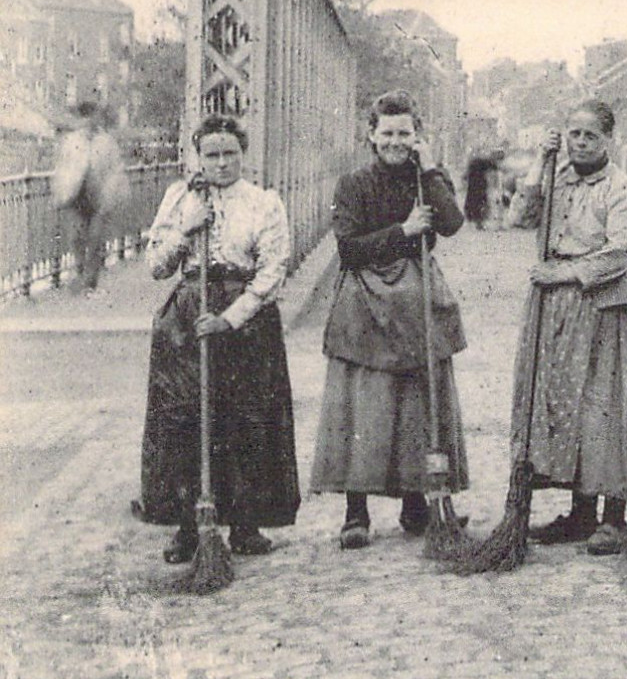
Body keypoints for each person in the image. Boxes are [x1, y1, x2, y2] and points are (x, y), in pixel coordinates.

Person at [310, 89, 469, 549]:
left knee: (420, 401)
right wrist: (403, 231)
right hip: (366, 300)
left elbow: (453, 222)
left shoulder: (425, 180)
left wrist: (432, 168)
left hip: (418, 300)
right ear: (371, 135)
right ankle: (355, 511)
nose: (396, 142)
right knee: (363, 404)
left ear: (417, 137)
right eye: (388, 133)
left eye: (405, 133)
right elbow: (348, 249)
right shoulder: (354, 185)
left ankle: (418, 502)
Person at [139, 114, 299, 560]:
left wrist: (231, 318)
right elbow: (155, 266)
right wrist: (186, 228)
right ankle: (188, 526)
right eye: (212, 155)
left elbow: (273, 270)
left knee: (245, 418)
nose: (222, 163)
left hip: (245, 320)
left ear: (243, 154)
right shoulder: (179, 197)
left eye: (231, 153)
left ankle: (245, 525)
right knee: (184, 418)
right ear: (198, 157)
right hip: (188, 318)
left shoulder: (263, 202)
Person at [506, 99, 627, 556]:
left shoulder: (624, 187)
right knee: (567, 406)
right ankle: (580, 513)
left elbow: (623, 250)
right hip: (557, 310)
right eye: (574, 134)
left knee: (607, 410)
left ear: (608, 140)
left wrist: (566, 274)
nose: (581, 143)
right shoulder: (557, 179)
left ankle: (613, 517)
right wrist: (539, 164)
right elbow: (517, 218)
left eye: (590, 136)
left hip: (609, 306)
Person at [52, 100, 130, 294]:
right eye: (85, 117)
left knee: (95, 240)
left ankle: (90, 281)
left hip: (99, 197)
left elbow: (116, 170)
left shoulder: (106, 142)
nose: (89, 121)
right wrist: (60, 193)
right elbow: (62, 168)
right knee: (77, 238)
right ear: (81, 119)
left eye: (93, 116)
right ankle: (79, 272)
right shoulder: (71, 141)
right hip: (76, 196)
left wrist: (113, 193)